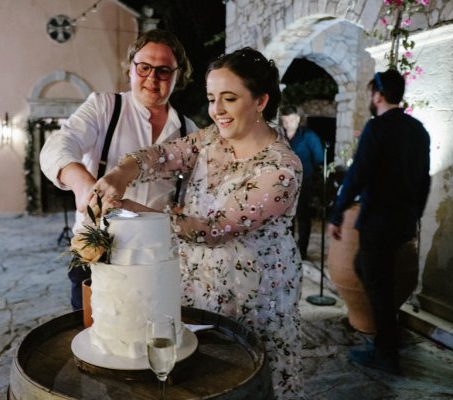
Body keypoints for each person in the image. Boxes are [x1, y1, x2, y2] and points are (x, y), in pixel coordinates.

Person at [92, 47, 305, 399]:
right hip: (195, 290)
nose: (216, 110)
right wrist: (120, 173)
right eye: (211, 99)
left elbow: (210, 229)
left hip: (253, 304)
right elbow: (162, 155)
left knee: (244, 386)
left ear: (261, 100)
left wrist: (134, 208)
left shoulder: (281, 170)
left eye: (229, 99)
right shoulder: (209, 139)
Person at [39, 29, 198, 310]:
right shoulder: (104, 107)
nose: (152, 78)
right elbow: (58, 145)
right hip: (98, 253)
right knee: (94, 338)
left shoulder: (188, 131)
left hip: (155, 259)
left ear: (178, 75)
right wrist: (80, 183)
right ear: (131, 69)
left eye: (163, 70)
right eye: (144, 67)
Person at [328, 69, 431, 373]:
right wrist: (415, 215)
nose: (371, 98)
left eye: (372, 92)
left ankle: (387, 352)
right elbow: (423, 180)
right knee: (370, 271)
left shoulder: (377, 128)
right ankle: (387, 343)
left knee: (378, 284)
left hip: (378, 221)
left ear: (379, 95)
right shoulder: (419, 130)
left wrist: (337, 213)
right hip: (402, 221)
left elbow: (358, 174)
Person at [279, 105, 324, 260]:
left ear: (297, 118)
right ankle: (288, 249)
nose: (287, 124)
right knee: (285, 218)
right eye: (284, 121)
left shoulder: (309, 136)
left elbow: (319, 159)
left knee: (303, 217)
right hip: (282, 184)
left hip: (304, 182)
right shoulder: (279, 135)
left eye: (290, 120)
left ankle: (302, 251)